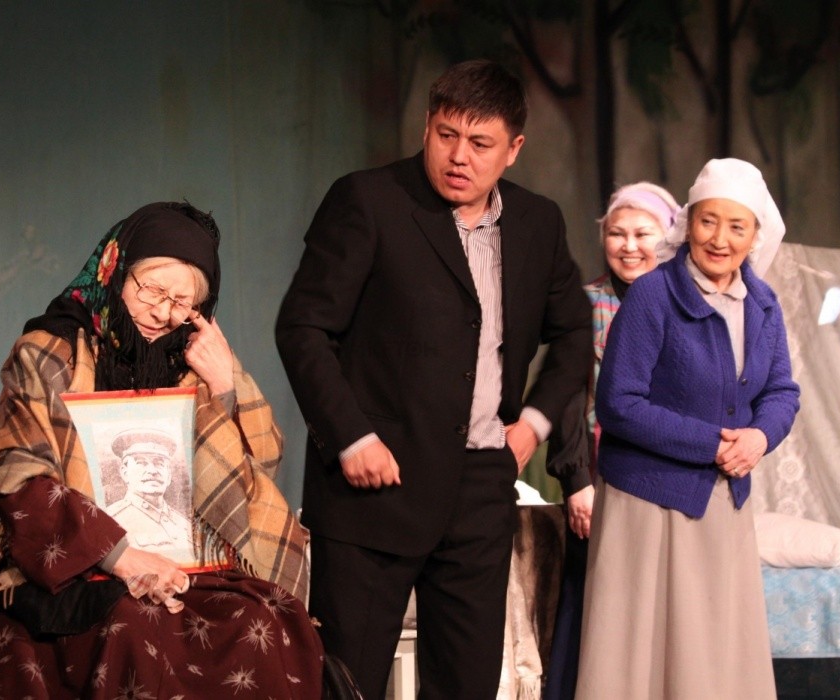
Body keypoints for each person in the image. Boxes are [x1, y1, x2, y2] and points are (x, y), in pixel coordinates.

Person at [275, 59, 592, 699]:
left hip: (480, 489)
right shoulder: (368, 200)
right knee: (347, 683)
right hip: (375, 487)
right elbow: (303, 327)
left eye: (480, 143)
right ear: (426, 127)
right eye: (446, 135)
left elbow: (575, 333)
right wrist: (351, 437)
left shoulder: (537, 222)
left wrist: (532, 425)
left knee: (466, 686)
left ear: (513, 149)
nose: (459, 156)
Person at [0, 202, 323, 699]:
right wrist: (119, 556)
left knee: (264, 620)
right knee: (133, 625)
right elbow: (18, 474)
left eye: (183, 302)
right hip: (78, 566)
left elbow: (261, 466)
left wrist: (226, 384)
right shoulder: (49, 353)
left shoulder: (194, 359)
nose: (164, 314)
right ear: (115, 272)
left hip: (190, 567)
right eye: (153, 291)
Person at [575, 159, 801, 699]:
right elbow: (618, 402)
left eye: (736, 226)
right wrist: (711, 444)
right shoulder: (655, 295)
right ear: (688, 223)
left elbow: (781, 392)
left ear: (755, 236)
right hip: (647, 502)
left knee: (713, 653)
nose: (719, 239)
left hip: (722, 500)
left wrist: (759, 437)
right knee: (639, 658)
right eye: (708, 221)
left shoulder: (763, 305)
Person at [544, 182, 679, 699]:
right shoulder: (588, 305)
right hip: (604, 483)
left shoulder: (688, 308)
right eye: (617, 234)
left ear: (669, 236)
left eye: (643, 233)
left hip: (671, 484)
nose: (629, 246)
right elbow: (566, 399)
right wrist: (578, 481)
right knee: (595, 609)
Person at [105, 427, 194, 554]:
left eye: (159, 464)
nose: (152, 471)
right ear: (125, 473)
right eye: (141, 463)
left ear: (169, 475)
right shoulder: (109, 522)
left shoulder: (185, 524)